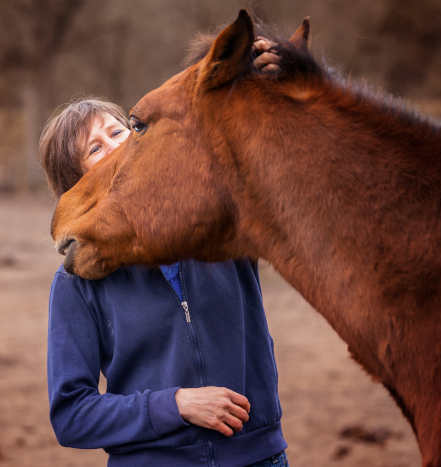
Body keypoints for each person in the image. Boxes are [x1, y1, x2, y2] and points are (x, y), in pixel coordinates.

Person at [41, 39, 289, 467]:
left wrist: (255, 79)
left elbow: (254, 148)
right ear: (78, 186)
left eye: (118, 132)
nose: (115, 147)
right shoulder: (76, 281)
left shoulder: (217, 223)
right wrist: (174, 404)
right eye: (95, 149)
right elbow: (72, 415)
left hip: (259, 460)